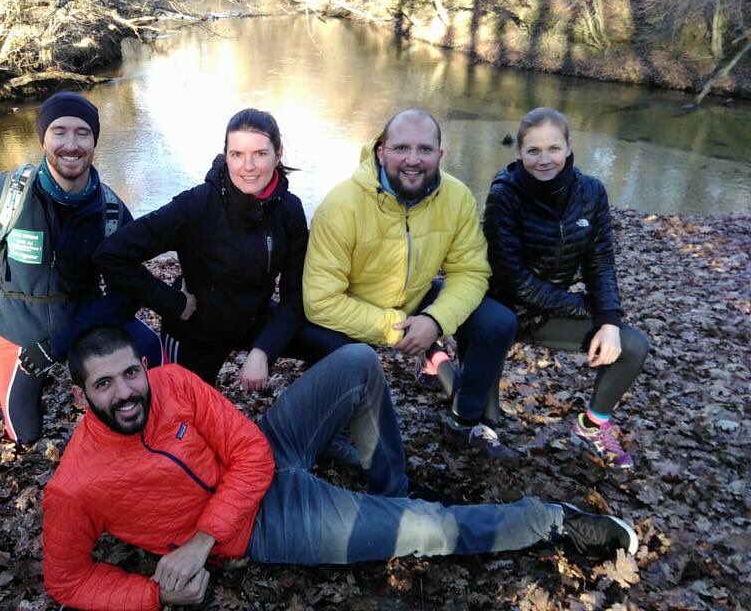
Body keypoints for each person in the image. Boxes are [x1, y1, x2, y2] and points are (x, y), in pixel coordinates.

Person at [42, 324, 638, 610]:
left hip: (263, 460)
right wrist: (154, 596)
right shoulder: (75, 487)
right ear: (79, 397)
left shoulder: (172, 382)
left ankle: (390, 486)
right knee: (427, 531)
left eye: (130, 373)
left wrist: (200, 539)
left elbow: (249, 451)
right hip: (266, 526)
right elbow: (65, 580)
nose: (126, 392)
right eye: (104, 384)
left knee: (356, 360)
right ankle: (550, 520)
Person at [0, 90, 162, 444]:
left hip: (83, 324)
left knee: (154, 354)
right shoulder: (7, 194)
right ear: (43, 138)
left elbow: (128, 292)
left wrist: (58, 345)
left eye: (82, 133)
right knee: (24, 435)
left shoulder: (111, 210)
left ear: (94, 141)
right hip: (17, 325)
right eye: (59, 132)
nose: (71, 145)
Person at [302, 109, 518, 458]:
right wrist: (396, 330)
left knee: (498, 322)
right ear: (380, 151)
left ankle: (463, 421)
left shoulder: (457, 197)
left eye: (425, 149)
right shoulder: (341, 205)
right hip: (355, 305)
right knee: (336, 349)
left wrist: (434, 322)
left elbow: (471, 271)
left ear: (440, 154)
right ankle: (332, 421)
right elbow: (321, 300)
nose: (413, 160)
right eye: (401, 148)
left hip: (416, 295)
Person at [93, 108, 323, 390]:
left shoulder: (289, 210)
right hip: (196, 331)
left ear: (278, 154)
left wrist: (263, 350)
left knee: (341, 349)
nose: (247, 166)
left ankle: (314, 417)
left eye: (260, 154)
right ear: (226, 155)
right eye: (237, 154)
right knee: (189, 416)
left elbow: (295, 296)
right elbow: (111, 254)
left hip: (254, 319)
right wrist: (172, 302)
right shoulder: (197, 205)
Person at [482, 107, 648, 468]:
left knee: (632, 345)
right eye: (533, 151)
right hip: (496, 312)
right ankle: (436, 360)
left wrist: (608, 319)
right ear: (518, 152)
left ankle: (591, 426)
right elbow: (512, 277)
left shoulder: (591, 192)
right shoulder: (503, 195)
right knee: (479, 419)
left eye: (554, 148)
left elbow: (599, 262)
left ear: (570, 145)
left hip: (549, 313)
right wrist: (582, 307)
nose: (545, 160)